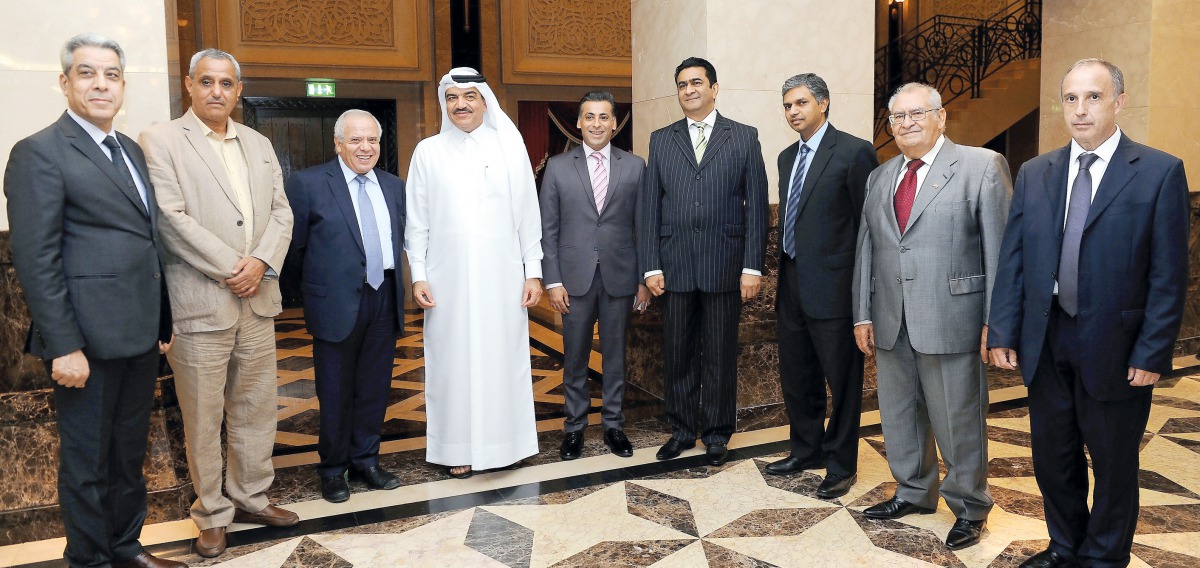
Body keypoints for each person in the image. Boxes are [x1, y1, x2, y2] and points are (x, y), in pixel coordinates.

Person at [988, 59, 1189, 568]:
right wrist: (1004, 329)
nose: (1080, 109)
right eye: (1071, 98)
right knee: (1053, 457)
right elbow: (1015, 258)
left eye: (1093, 97)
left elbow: (1169, 274)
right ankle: (1064, 546)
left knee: (1113, 462)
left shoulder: (1159, 171)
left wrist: (1152, 351)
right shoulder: (1036, 172)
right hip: (1046, 337)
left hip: (1118, 345)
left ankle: (1103, 558)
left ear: (1119, 102)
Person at [4, 33, 182, 568]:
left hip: (138, 337)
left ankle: (125, 548)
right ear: (65, 82)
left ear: (123, 85)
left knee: (129, 455)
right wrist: (64, 345)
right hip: (84, 344)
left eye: (111, 75)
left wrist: (163, 321)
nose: (101, 84)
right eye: (87, 73)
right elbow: (37, 260)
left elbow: (146, 241)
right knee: (87, 463)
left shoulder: (129, 149)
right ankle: (89, 559)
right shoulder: (39, 152)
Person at [140, 48, 297, 558]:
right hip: (201, 303)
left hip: (258, 300)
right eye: (206, 81)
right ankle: (211, 513)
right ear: (189, 85)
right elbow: (170, 218)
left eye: (226, 83)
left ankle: (251, 496)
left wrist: (261, 263)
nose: (216, 91)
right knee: (204, 419)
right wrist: (235, 266)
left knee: (256, 408)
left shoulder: (259, 143)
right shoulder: (160, 140)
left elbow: (281, 212)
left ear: (238, 91)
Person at [851, 82, 1010, 550]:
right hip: (890, 319)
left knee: (958, 419)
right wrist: (862, 313)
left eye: (917, 113)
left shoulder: (981, 166)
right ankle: (914, 491)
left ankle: (970, 506)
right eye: (897, 117)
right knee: (900, 414)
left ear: (941, 117)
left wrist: (997, 321)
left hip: (953, 319)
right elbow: (867, 249)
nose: (907, 123)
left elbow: (1001, 251)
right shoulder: (880, 177)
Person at [405, 68, 543, 479]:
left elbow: (528, 216)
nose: (460, 104)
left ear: (485, 101)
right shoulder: (428, 151)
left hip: (503, 279)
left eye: (469, 96)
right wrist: (418, 274)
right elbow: (417, 221)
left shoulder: (509, 148)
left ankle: (507, 446)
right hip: (446, 281)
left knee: (503, 360)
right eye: (452, 97)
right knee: (452, 364)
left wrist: (533, 272)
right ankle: (457, 448)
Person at [638, 57, 769, 467]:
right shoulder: (662, 140)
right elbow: (650, 207)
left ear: (714, 88)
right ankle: (681, 430)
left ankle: (716, 433)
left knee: (719, 354)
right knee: (677, 353)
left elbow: (757, 207)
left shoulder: (743, 137)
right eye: (682, 84)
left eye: (696, 82)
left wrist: (752, 266)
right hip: (674, 267)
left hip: (724, 266)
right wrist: (651, 265)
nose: (689, 90)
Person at [766, 73, 878, 500]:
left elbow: (867, 226)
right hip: (791, 282)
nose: (793, 112)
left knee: (842, 381)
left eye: (801, 103)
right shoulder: (785, 158)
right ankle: (806, 449)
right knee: (798, 375)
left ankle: (841, 464)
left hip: (835, 288)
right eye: (787, 105)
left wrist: (864, 296)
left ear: (823, 103)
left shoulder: (853, 152)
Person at [285, 109, 406, 503]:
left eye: (372, 139)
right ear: (338, 143)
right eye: (355, 140)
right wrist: (318, 290)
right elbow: (294, 249)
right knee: (335, 391)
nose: (365, 147)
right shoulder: (308, 183)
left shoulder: (393, 186)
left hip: (383, 297)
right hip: (335, 302)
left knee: (374, 387)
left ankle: (366, 461)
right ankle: (334, 469)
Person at [540, 91, 649, 460]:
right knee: (575, 357)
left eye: (604, 117)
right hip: (573, 280)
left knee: (616, 355)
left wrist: (643, 280)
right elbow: (548, 229)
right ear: (579, 122)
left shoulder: (635, 166)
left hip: (621, 277)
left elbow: (643, 227)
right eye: (590, 117)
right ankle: (574, 428)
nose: (597, 124)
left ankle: (614, 425)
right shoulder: (557, 167)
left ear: (615, 123)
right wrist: (553, 281)